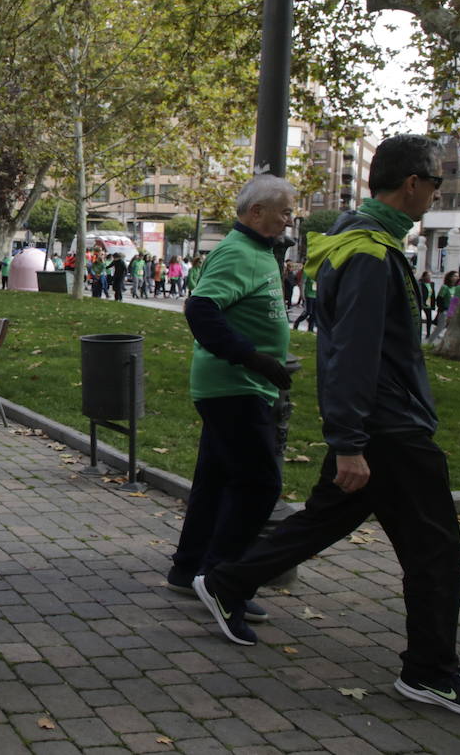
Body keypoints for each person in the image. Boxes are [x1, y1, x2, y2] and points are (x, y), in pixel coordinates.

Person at [193, 136, 460, 716]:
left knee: (322, 522)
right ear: (412, 184)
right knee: (437, 551)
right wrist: (349, 441)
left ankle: (228, 580)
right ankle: (431, 671)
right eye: (435, 183)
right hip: (388, 428)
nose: (435, 193)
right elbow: (352, 355)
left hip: (378, 424)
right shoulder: (366, 251)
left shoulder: (365, 243)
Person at [167, 175, 296, 620]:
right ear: (256, 212)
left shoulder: (260, 252)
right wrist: (253, 359)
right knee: (261, 484)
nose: (289, 219)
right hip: (233, 386)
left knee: (216, 481)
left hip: (240, 384)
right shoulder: (239, 251)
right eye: (284, 211)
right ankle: (220, 580)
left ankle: (188, 571)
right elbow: (201, 309)